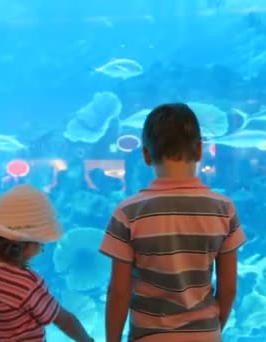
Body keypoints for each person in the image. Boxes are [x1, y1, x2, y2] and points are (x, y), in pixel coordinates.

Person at [99, 103, 247, 342]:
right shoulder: (224, 209)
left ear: (146, 155)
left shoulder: (128, 212)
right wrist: (212, 329)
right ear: (199, 150)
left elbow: (118, 292)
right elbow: (229, 288)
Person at [0, 184, 94, 342]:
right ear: (23, 242)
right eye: (41, 243)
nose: (41, 250)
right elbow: (64, 321)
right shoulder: (25, 283)